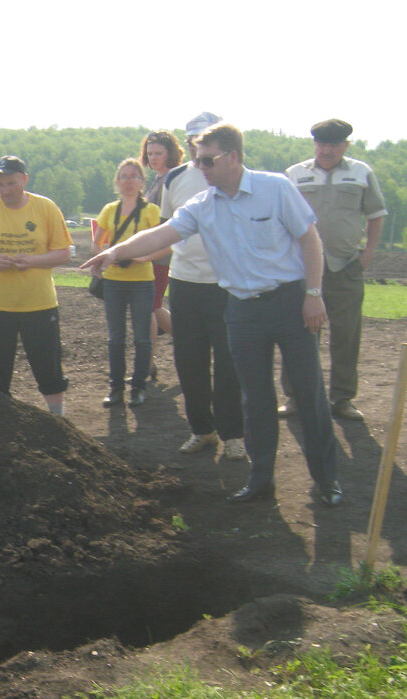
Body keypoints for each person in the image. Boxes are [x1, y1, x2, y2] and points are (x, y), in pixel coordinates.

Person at [81, 123, 342, 507]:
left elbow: (309, 239)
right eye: (198, 160)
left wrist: (314, 294)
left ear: (233, 157)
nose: (199, 167)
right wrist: (115, 252)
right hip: (239, 309)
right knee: (254, 397)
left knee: (308, 392)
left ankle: (326, 481)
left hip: (291, 303)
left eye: (207, 160)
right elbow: (162, 234)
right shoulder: (203, 206)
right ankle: (261, 479)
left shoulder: (276, 188)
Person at [282, 118, 388, 422]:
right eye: (321, 143)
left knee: (346, 335)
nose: (326, 150)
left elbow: (376, 214)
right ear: (314, 144)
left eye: (333, 144)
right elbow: (282, 217)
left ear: (346, 145)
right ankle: (296, 398)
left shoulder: (361, 173)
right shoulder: (295, 174)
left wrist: (369, 251)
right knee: (300, 334)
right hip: (301, 269)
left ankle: (342, 399)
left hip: (345, 266)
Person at [161, 112, 246, 461]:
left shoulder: (236, 176)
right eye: (195, 146)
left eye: (206, 149)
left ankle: (234, 434)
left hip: (226, 284)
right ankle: (202, 430)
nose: (201, 159)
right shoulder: (175, 178)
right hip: (184, 281)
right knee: (189, 360)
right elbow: (166, 228)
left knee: (229, 362)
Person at [0, 155, 72, 416]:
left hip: (39, 303)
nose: (5, 190)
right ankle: (0, 423)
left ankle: (57, 418)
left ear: (24, 180)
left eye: (11, 183)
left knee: (48, 367)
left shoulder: (45, 208)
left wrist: (33, 261)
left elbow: (64, 253)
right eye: (0, 185)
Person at [94, 158, 161, 408]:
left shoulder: (151, 211)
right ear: (117, 182)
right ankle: (116, 389)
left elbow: (162, 245)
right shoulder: (109, 210)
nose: (129, 180)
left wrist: (143, 257)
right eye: (124, 176)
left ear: (142, 182)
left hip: (142, 281)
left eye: (134, 176)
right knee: (115, 337)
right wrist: (106, 259)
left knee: (142, 338)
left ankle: (138, 387)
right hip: (114, 281)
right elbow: (96, 242)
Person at [140, 129, 183, 374]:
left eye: (158, 152)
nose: (153, 157)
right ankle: (192, 341)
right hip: (151, 250)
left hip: (161, 253)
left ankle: (148, 363)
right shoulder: (158, 178)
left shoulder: (171, 179)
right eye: (150, 152)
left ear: (171, 153)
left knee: (150, 306)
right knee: (152, 305)